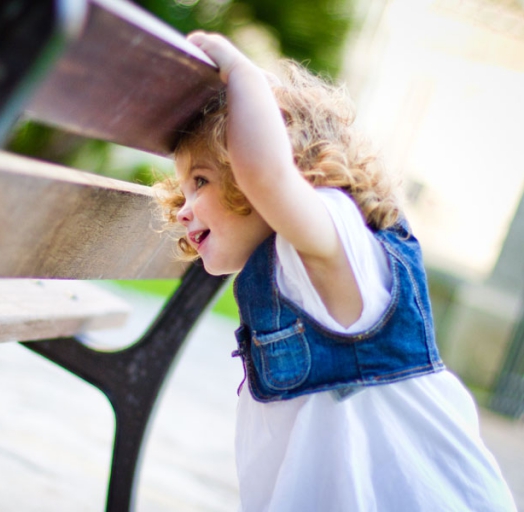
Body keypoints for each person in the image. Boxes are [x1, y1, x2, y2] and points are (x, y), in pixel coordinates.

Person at [155, 31, 517, 512]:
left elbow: (267, 173)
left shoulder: (334, 236)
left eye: (200, 180)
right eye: (184, 188)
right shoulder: (302, 257)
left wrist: (243, 74)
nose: (184, 208)